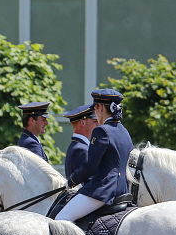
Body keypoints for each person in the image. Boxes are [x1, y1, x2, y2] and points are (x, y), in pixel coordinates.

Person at [56, 89, 134, 222]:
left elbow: (90, 166)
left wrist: (71, 182)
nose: (96, 115)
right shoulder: (125, 131)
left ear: (100, 108)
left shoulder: (101, 131)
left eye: (95, 108)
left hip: (102, 191)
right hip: (123, 190)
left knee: (61, 219)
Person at [62, 104, 96, 179]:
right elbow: (87, 182)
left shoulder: (79, 146)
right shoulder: (81, 149)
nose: (98, 124)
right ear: (83, 123)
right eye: (94, 121)